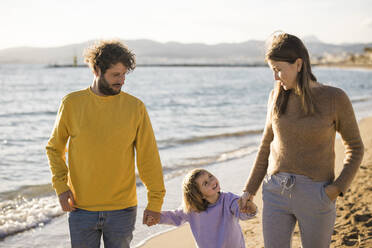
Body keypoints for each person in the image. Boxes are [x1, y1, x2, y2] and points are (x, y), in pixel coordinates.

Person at [239, 32, 364, 248]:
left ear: (298, 64)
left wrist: (335, 190)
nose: (276, 77)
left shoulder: (335, 98)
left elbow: (355, 148)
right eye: (272, 71)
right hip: (275, 192)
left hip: (317, 195)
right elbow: (266, 146)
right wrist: (249, 191)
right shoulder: (275, 95)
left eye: (278, 69)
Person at [46, 40, 166, 248]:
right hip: (81, 209)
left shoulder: (135, 107)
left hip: (123, 210)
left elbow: (148, 158)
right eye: (115, 75)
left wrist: (155, 202)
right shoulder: (72, 104)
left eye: (124, 74)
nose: (122, 81)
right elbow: (54, 148)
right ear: (96, 70)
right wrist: (61, 187)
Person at [146, 168, 257, 248]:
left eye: (210, 176)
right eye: (205, 183)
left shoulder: (228, 199)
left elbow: (241, 210)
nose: (211, 181)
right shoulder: (192, 209)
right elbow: (175, 216)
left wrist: (250, 208)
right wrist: (157, 217)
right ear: (199, 194)